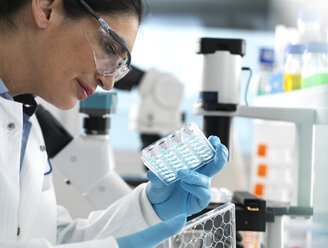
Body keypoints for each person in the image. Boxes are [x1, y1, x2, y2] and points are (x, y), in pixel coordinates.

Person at [0, 0, 229, 247]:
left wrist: (148, 209)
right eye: (109, 48)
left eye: (119, 66)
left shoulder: (25, 121)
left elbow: (48, 237)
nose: (107, 83)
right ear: (47, 8)